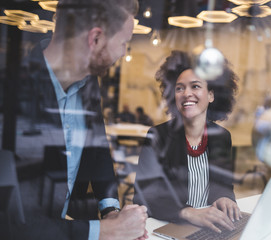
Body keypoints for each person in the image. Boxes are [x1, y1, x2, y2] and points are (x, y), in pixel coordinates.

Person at [16, 0, 147, 239]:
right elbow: (11, 223)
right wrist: (105, 231)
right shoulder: (13, 95)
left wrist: (110, 211)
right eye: (123, 43)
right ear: (95, 39)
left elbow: (96, 150)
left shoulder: (88, 83)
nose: (123, 53)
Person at [133, 50, 241, 233]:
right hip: (171, 226)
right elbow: (144, 197)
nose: (186, 93)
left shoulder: (221, 136)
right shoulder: (158, 136)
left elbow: (223, 186)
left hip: (208, 227)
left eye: (195, 86)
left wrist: (225, 198)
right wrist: (187, 213)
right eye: (179, 88)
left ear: (212, 95)